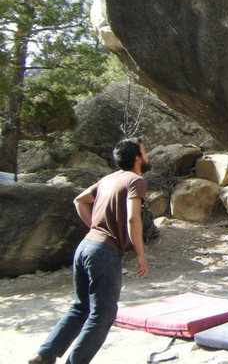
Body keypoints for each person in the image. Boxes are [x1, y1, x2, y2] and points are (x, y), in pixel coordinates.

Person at [29, 138, 151, 364]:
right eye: (145, 152)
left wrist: (96, 227)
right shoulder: (136, 180)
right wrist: (140, 253)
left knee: (80, 307)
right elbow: (133, 217)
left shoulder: (108, 179)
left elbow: (79, 200)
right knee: (103, 315)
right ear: (137, 159)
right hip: (103, 252)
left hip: (85, 247)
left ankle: (43, 355)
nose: (148, 156)